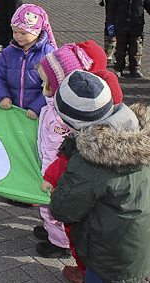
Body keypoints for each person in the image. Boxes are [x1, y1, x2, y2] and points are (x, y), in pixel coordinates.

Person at [50, 70, 150, 283]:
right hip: (140, 241)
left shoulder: (90, 162)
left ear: (71, 121)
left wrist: (62, 184)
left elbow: (63, 209)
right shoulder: (135, 131)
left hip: (108, 255)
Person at [33, 44, 93, 259]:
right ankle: (52, 232)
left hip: (57, 174)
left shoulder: (63, 117)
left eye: (44, 81)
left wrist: (53, 174)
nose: (41, 84)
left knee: (55, 209)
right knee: (47, 206)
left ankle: (61, 243)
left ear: (57, 84)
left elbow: (64, 153)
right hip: (49, 167)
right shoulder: (54, 105)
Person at [0, 4, 57, 120]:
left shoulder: (48, 54)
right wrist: (2, 96)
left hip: (39, 115)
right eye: (15, 32)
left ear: (36, 31)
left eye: (23, 33)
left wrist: (37, 106)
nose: (18, 36)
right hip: (12, 112)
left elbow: (53, 86)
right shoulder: (8, 52)